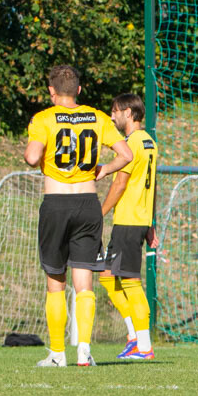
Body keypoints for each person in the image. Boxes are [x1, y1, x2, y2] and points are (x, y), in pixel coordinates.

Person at [24, 65, 133, 368]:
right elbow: (126, 155)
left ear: (51, 91)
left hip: (57, 202)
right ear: (80, 91)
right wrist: (104, 170)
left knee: (55, 282)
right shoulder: (97, 117)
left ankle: (58, 354)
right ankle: (84, 351)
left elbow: (32, 157)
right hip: (88, 203)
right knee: (84, 283)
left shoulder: (43, 118)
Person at [99, 92, 159, 362]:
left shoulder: (132, 142)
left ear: (128, 112)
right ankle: (134, 335)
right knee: (107, 277)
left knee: (131, 283)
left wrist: (99, 213)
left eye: (115, 111)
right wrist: (150, 223)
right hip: (138, 219)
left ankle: (144, 346)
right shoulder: (150, 142)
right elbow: (153, 185)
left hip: (127, 219)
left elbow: (120, 183)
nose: (112, 116)